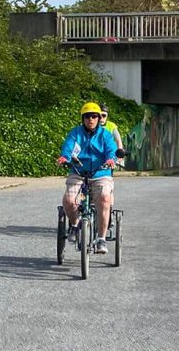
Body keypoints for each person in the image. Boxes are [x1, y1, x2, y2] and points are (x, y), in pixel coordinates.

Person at [58, 102, 118, 255]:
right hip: (78, 172)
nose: (90, 119)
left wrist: (111, 159)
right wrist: (64, 158)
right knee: (69, 201)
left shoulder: (105, 135)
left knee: (105, 199)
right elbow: (68, 147)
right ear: (82, 119)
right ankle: (74, 224)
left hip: (100, 173)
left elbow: (111, 149)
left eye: (94, 116)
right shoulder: (75, 133)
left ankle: (101, 239)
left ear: (99, 118)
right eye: (87, 117)